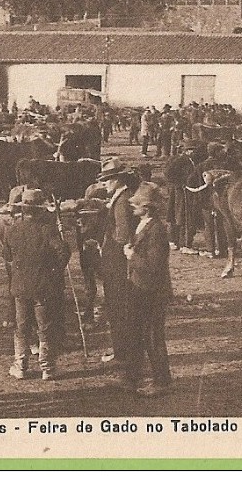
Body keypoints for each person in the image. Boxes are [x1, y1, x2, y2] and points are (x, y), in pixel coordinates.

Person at [1, 188, 70, 381]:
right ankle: (47, 368)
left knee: (21, 327)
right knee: (45, 327)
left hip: (20, 286)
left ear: (23, 209)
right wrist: (55, 271)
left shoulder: (12, 228)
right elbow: (62, 253)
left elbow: (7, 255)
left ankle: (21, 365)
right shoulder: (47, 229)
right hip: (44, 287)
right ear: (40, 209)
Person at [122, 182, 173, 396]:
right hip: (139, 287)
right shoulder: (144, 224)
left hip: (152, 290)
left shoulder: (157, 230)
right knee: (137, 333)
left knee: (153, 336)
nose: (133, 207)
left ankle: (162, 382)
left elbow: (154, 265)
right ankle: (135, 378)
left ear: (148, 208)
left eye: (137, 205)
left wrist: (132, 256)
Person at [96, 157, 138, 372]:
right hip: (117, 262)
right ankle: (122, 349)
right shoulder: (121, 197)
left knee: (118, 308)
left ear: (118, 180)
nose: (105, 184)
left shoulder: (121, 202)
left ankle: (122, 352)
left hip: (117, 263)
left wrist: (106, 240)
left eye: (108, 180)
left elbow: (122, 235)